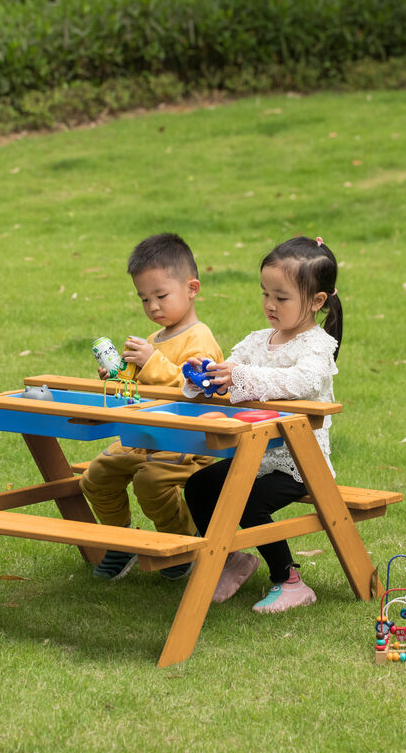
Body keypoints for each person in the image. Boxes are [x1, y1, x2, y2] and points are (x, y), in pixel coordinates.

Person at [183, 235, 342, 613]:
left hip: (299, 464)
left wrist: (242, 376)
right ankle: (231, 559)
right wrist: (205, 378)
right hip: (256, 456)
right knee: (200, 486)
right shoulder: (258, 341)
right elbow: (231, 373)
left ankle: (289, 579)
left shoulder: (317, 347)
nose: (270, 305)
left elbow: (298, 382)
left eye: (282, 297)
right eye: (265, 294)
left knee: (244, 501)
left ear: (317, 301)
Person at [80, 233, 223, 581]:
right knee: (95, 477)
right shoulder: (152, 340)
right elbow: (137, 387)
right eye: (144, 298)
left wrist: (152, 361)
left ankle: (182, 543)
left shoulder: (199, 338)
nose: (153, 306)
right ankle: (121, 542)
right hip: (142, 436)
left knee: (151, 480)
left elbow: (197, 389)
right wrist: (117, 375)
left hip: (186, 443)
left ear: (192, 288)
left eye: (161, 296)